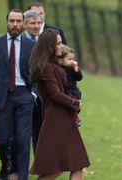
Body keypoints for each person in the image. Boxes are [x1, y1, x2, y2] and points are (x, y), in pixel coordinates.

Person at [29, 29, 90, 180]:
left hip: (63, 117)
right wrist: (75, 103)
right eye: (58, 43)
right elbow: (55, 94)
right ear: (49, 46)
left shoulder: (53, 64)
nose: (61, 46)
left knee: (76, 164)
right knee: (55, 170)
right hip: (56, 119)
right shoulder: (46, 67)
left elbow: (71, 79)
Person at [0, 9, 36, 180]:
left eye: (18, 21)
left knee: (23, 139)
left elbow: (37, 71)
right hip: (2, 97)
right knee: (4, 141)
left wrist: (33, 94)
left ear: (23, 23)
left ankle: (22, 177)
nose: (15, 24)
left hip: (24, 96)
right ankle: (6, 169)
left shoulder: (31, 45)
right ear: (6, 22)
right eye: (12, 21)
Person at [27, 1, 67, 154]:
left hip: (54, 89)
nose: (38, 18)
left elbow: (66, 58)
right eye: (34, 15)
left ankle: (54, 159)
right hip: (32, 90)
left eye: (41, 14)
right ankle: (41, 162)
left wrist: (70, 90)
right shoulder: (24, 38)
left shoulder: (56, 33)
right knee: (36, 129)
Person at [59, 45, 83, 127]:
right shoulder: (58, 69)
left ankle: (76, 118)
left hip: (72, 90)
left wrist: (77, 70)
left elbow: (79, 78)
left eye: (73, 59)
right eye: (69, 59)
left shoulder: (72, 68)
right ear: (61, 60)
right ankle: (73, 118)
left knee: (73, 101)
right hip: (64, 91)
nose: (72, 61)